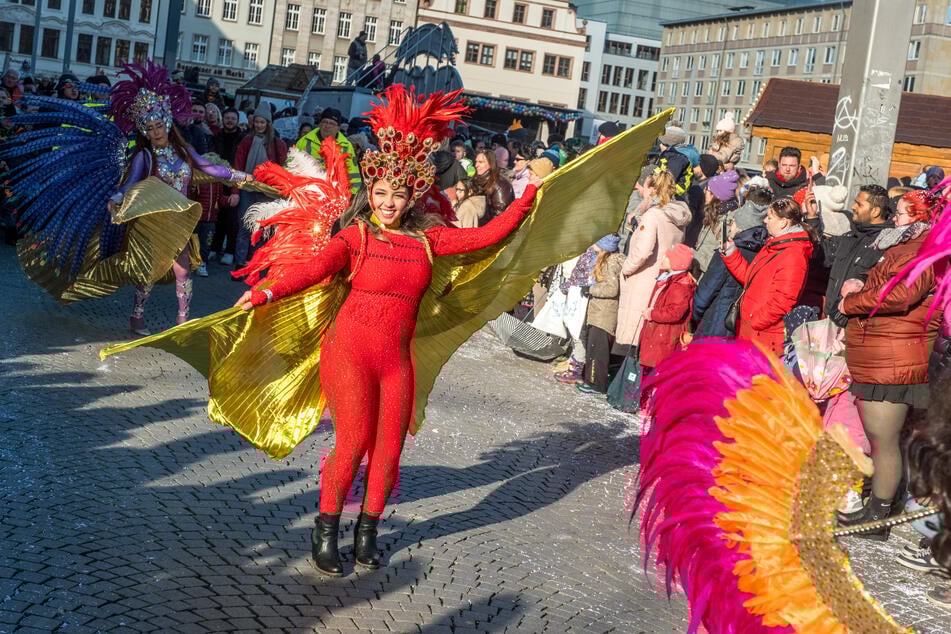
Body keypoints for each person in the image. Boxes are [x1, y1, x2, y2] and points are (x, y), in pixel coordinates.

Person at [231, 88, 543, 576]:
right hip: (349, 352)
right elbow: (313, 269)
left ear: (413, 194)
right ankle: (327, 527)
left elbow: (486, 236)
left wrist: (525, 200)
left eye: (398, 194)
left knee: (390, 449)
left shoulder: (428, 237)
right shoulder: (356, 236)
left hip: (395, 359)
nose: (389, 202)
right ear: (370, 192)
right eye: (380, 193)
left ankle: (368, 532)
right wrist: (264, 293)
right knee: (353, 443)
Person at [836, 189, 943, 540]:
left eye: (898, 212)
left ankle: (879, 517)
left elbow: (901, 295)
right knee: (881, 438)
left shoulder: (923, 251)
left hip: (895, 358)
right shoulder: (906, 246)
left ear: (918, 216)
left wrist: (853, 302)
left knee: (884, 439)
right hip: (884, 353)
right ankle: (876, 508)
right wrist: (863, 283)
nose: (893, 217)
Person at [720, 198, 815, 356]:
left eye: (770, 217)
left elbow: (784, 299)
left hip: (763, 334)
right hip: (752, 330)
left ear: (783, 222)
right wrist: (731, 253)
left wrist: (756, 320)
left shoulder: (793, 255)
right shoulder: (775, 245)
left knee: (754, 379)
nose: (765, 220)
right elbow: (751, 279)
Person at [615, 167, 691, 354]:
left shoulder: (653, 215)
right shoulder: (677, 216)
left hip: (643, 278)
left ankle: (628, 377)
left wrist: (626, 268)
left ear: (652, 190)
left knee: (634, 335)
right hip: (662, 276)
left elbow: (643, 251)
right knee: (647, 335)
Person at [692, 186, 771, 337]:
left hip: (714, 326)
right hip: (742, 329)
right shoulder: (766, 252)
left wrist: (694, 319)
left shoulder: (728, 251)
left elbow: (703, 296)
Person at [819, 184, 893, 328]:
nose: (853, 207)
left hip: (856, 328)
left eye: (859, 204)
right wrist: (811, 219)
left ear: (875, 211)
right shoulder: (850, 236)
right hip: (831, 320)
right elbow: (822, 254)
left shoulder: (885, 244)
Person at [233, 103, 288, 268]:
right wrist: (236, 189)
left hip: (267, 192)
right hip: (248, 189)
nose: (259, 125)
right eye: (257, 122)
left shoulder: (277, 144)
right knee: (244, 225)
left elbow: (283, 168)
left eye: (262, 122)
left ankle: (253, 263)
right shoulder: (247, 141)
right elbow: (238, 166)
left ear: (268, 124)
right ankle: (240, 262)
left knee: (261, 228)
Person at [638, 243, 697, 375]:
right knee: (649, 371)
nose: (663, 258)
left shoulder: (680, 286)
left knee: (657, 372)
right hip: (658, 333)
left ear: (675, 263)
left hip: (664, 336)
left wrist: (652, 314)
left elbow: (675, 313)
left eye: (667, 256)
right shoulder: (668, 278)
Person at [576, 234, 623, 394]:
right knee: (593, 348)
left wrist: (591, 289)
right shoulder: (606, 260)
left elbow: (612, 288)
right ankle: (591, 379)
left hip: (603, 315)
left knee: (597, 351)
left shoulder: (610, 263)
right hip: (598, 312)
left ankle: (597, 384)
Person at [297, 107, 361, 192]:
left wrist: (352, 197)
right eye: (325, 122)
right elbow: (290, 167)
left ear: (338, 128)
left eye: (332, 123)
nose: (327, 126)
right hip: (307, 193)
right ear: (319, 124)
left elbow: (353, 176)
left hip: (335, 196)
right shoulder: (304, 142)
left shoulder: (346, 146)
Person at [693, 169, 739, 273]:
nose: (704, 192)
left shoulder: (726, 224)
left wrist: (691, 255)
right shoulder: (714, 214)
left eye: (708, 190)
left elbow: (715, 264)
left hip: (705, 280)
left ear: (716, 196)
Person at [472, 149, 514, 225]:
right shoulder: (475, 180)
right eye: (476, 162)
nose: (476, 165)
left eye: (481, 162)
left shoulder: (501, 185)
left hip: (491, 228)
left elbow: (500, 214)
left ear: (491, 164)